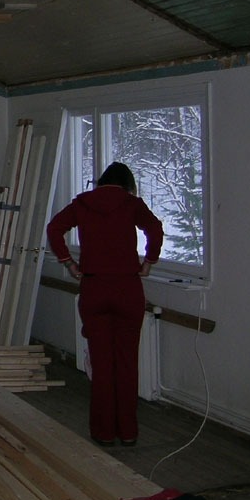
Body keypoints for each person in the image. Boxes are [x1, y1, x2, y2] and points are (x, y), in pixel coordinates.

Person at [46, 161, 163, 447]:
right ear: (128, 185)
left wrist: (69, 263)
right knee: (127, 363)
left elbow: (54, 228)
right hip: (127, 288)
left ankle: (103, 432)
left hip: (94, 288)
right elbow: (155, 229)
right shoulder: (132, 204)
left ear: (101, 182)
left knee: (101, 364)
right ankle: (128, 432)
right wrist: (148, 262)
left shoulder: (83, 203)